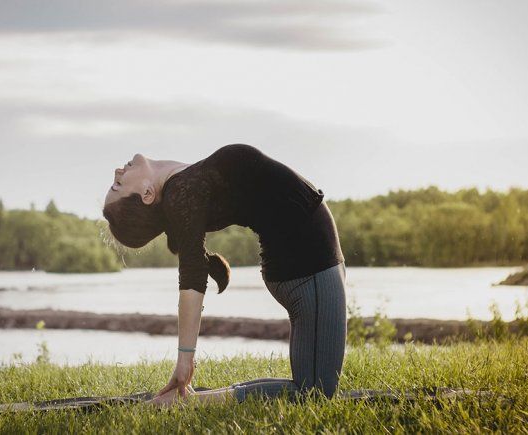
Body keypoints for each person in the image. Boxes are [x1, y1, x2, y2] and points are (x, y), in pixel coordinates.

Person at [102, 144, 347, 407]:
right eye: (118, 184)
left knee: (312, 384)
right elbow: (192, 277)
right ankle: (187, 403)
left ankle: (193, 400)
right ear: (147, 194)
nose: (118, 170)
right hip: (308, 266)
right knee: (316, 392)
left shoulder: (184, 183)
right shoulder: (181, 192)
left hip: (311, 262)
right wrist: (185, 359)